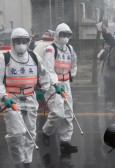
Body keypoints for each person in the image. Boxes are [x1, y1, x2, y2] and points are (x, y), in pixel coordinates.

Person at [0, 28, 51, 168]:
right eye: (18, 41)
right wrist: (3, 96)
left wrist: (42, 90)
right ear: (12, 41)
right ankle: (19, 165)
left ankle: (27, 164)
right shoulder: (4, 58)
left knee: (30, 133)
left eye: (24, 41)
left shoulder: (34, 57)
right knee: (17, 134)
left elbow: (44, 75)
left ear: (29, 41)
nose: (21, 44)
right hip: (11, 98)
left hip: (30, 98)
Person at [41, 23, 78, 155]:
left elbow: (74, 63)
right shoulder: (50, 50)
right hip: (54, 85)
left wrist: (72, 74)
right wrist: (55, 83)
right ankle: (46, 132)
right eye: (62, 35)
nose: (65, 38)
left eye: (67, 35)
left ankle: (65, 142)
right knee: (58, 113)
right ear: (57, 35)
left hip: (66, 83)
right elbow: (48, 69)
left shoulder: (69, 49)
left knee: (68, 114)